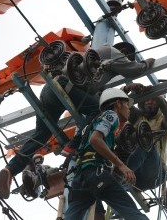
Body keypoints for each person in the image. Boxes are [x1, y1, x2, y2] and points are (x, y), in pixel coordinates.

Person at [0, 43, 154, 199]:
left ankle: (10, 170)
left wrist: (126, 89)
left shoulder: (96, 66)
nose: (125, 63)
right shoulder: (114, 53)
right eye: (127, 59)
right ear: (124, 51)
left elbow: (103, 95)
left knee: (41, 135)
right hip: (64, 86)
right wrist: (149, 61)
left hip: (49, 90)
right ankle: (74, 145)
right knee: (99, 113)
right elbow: (137, 69)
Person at [64, 88, 149, 220]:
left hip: (80, 178)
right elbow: (95, 140)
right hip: (95, 173)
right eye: (127, 104)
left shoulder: (91, 124)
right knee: (130, 210)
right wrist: (121, 165)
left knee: (72, 216)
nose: (129, 109)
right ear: (118, 104)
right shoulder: (111, 115)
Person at [122, 83, 167, 191]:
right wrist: (127, 88)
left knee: (146, 143)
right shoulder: (137, 116)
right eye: (147, 99)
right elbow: (118, 104)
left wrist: (156, 94)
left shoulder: (163, 121)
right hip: (135, 173)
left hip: (154, 174)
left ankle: (122, 174)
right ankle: (117, 179)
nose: (149, 101)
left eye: (153, 100)